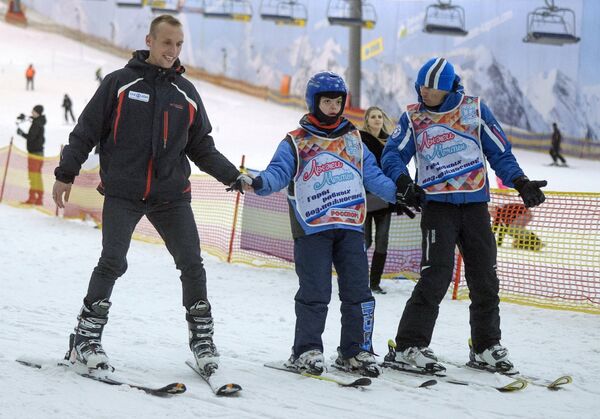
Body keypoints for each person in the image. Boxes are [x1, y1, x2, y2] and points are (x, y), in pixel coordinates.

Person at [52, 14, 249, 374]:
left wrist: (233, 177)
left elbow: (201, 146)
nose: (172, 51)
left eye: (178, 44)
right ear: (150, 41)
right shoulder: (119, 83)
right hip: (123, 192)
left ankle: (202, 340)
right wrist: (66, 173)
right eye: (166, 43)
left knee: (192, 264)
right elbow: (86, 131)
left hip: (170, 195)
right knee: (112, 262)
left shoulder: (186, 93)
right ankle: (85, 338)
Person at [381, 57, 547, 374]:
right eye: (421, 86)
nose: (424, 92)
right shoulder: (413, 116)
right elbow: (393, 154)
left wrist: (520, 182)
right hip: (437, 207)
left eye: (431, 88)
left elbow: (499, 151)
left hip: (473, 207)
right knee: (435, 277)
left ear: (446, 88)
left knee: (485, 278)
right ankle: (408, 346)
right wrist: (403, 181)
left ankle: (485, 346)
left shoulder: (474, 110)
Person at [246, 71, 412, 378]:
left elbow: (373, 176)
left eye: (338, 101)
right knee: (315, 291)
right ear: (314, 102)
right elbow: (278, 173)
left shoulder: (354, 140)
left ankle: (356, 351)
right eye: (327, 101)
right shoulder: (296, 141)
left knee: (358, 292)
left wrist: (401, 193)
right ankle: (306, 351)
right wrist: (257, 183)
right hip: (312, 229)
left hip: (350, 226)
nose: (333, 107)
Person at [359, 106, 396, 294]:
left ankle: (374, 282)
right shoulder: (359, 139)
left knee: (382, 241)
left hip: (384, 199)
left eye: (379, 116)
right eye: (373, 116)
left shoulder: (390, 142)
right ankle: (357, 279)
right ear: (367, 120)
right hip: (364, 197)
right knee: (364, 241)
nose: (376, 119)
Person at [17, 105, 46, 205]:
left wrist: (21, 133)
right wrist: (25, 117)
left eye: (33, 111)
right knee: (36, 176)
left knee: (33, 176)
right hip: (38, 153)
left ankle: (34, 198)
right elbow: (32, 119)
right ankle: (38, 198)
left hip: (35, 154)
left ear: (37, 112)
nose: (32, 112)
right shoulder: (39, 121)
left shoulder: (37, 124)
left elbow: (31, 137)